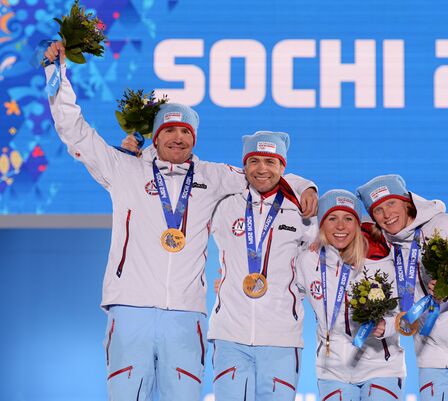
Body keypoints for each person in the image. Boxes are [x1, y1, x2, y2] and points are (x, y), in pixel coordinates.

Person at [43, 42, 317, 401]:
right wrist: (55, 72)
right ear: (155, 137)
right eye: (169, 130)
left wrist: (303, 185)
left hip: (187, 315)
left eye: (186, 131)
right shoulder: (122, 168)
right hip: (130, 307)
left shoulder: (213, 176)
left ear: (194, 138)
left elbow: (262, 173)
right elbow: (75, 132)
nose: (178, 137)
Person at [356, 174, 448, 401]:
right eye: (378, 210)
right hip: (430, 357)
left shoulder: (446, 224)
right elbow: (405, 305)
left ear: (407, 201)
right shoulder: (389, 248)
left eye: (391, 203)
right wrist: (386, 326)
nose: (387, 215)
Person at [207, 131, 318, 401]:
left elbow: (312, 265)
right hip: (230, 334)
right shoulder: (224, 203)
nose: (262, 169)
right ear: (243, 166)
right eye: (254, 161)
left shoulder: (300, 211)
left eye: (271, 162)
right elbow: (193, 173)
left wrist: (306, 186)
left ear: (283, 167)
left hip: (281, 336)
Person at [296, 190, 405, 401]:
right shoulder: (308, 261)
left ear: (357, 224)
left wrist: (386, 326)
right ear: (321, 224)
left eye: (348, 219)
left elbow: (404, 312)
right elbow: (287, 295)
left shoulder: (379, 259)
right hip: (332, 371)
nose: (340, 227)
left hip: (381, 367)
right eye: (332, 218)